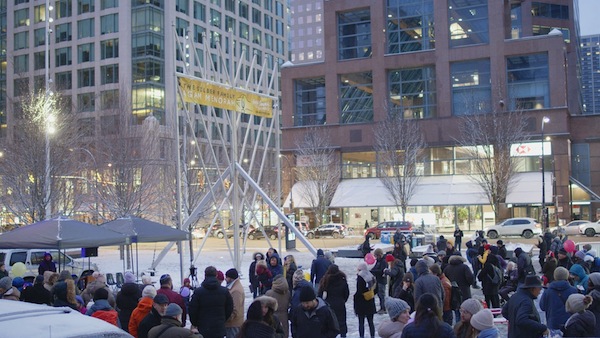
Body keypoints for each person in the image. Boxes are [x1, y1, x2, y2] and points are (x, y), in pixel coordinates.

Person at [189, 266, 234, 338]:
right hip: (219, 327)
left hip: (203, 327)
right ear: (216, 275)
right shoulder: (224, 291)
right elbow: (230, 307)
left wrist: (196, 323)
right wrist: (223, 319)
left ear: (205, 275)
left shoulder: (198, 292)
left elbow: (192, 309)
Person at [539, 266, 577, 331]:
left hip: (553, 324)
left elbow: (542, 307)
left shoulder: (548, 291)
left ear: (555, 276)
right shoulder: (574, 290)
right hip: (569, 323)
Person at [318, 264, 350, 338]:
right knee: (342, 322)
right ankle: (343, 336)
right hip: (340, 304)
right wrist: (342, 300)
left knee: (330, 323)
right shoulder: (342, 280)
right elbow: (346, 293)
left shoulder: (325, 280)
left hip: (329, 304)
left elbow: (320, 293)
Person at [354, 261, 377, 338]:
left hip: (361, 303)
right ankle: (372, 336)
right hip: (370, 301)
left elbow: (359, 291)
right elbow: (376, 289)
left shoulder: (360, 277)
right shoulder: (371, 275)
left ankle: (361, 336)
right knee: (371, 322)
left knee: (361, 322)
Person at [224, 268, 245, 338]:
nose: (225, 279)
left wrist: (227, 319)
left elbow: (235, 309)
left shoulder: (236, 291)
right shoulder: (233, 287)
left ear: (231, 278)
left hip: (233, 324)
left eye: (226, 277)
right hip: (233, 323)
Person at [370, 248, 387, 314]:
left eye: (376, 256)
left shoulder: (383, 262)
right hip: (377, 280)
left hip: (382, 280)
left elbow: (381, 271)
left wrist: (373, 271)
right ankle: (381, 307)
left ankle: (384, 308)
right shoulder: (378, 261)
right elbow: (375, 268)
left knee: (382, 295)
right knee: (379, 294)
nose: (375, 257)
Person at [586, 272, 600, 337]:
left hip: (594, 318)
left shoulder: (594, 294)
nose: (588, 281)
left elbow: (587, 307)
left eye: (590, 280)